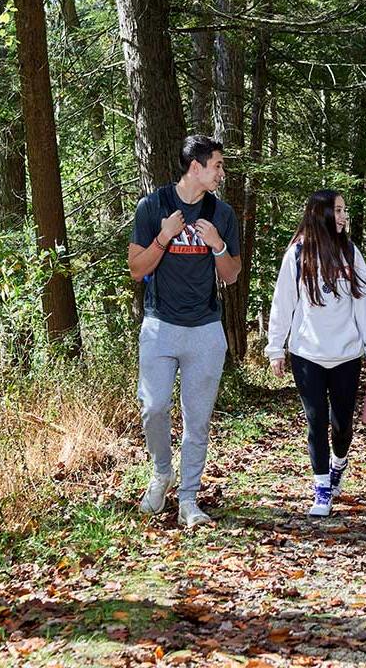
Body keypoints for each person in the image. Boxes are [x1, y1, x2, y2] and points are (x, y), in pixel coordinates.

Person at [127, 135, 241, 528]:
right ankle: (162, 474)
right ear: (196, 167)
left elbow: (231, 275)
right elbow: (138, 269)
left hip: (205, 330)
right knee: (153, 406)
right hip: (160, 325)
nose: (221, 173)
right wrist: (164, 236)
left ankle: (189, 499)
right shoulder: (152, 206)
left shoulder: (221, 213)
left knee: (198, 419)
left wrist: (217, 245)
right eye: (217, 167)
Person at [265, 190, 366, 517]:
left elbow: (365, 304)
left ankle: (338, 463)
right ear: (322, 214)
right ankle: (321, 488)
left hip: (346, 355)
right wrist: (276, 347)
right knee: (315, 420)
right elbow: (283, 303)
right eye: (339, 210)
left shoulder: (350, 252)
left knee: (341, 424)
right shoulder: (298, 254)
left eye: (345, 210)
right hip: (307, 354)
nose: (345, 216)